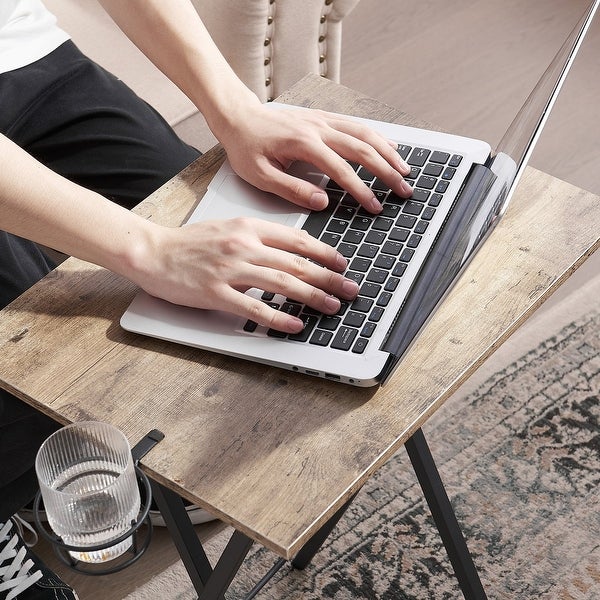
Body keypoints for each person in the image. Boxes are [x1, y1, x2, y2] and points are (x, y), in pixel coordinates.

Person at [0, 1, 412, 596]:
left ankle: (115, 447)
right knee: (26, 363)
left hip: (21, 57)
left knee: (228, 257)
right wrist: (150, 251)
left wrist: (238, 110)